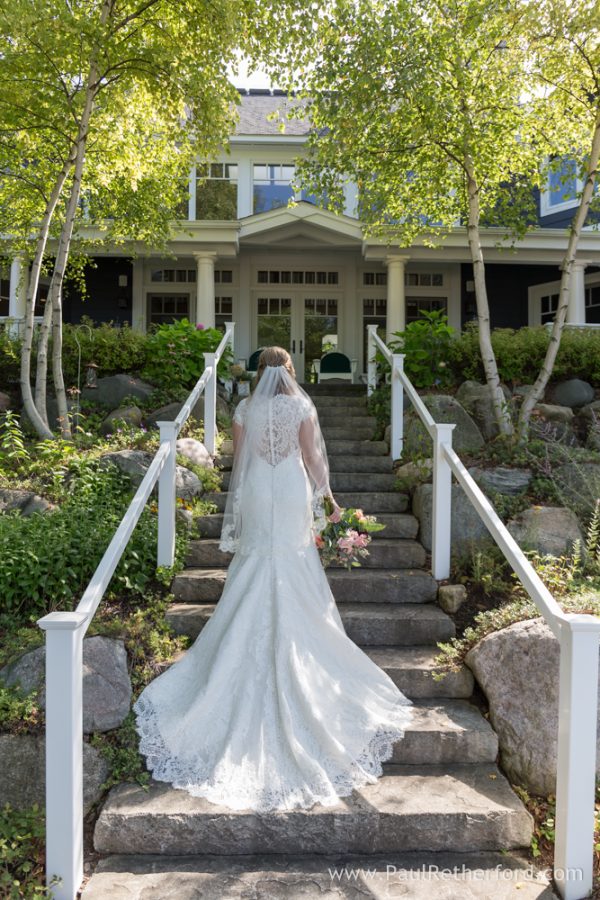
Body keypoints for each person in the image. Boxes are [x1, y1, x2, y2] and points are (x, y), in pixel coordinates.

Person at [134, 346, 413, 812]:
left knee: (255, 561)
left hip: (261, 490)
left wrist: (239, 509)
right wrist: (330, 501)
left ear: (258, 373)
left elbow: (239, 464)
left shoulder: (245, 407)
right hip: (289, 489)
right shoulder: (302, 405)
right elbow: (312, 458)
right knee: (291, 559)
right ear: (288, 372)